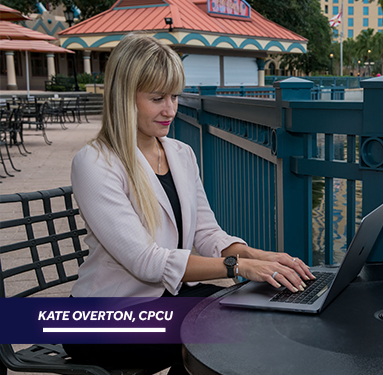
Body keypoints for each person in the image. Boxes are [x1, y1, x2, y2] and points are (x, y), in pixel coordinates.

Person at [63, 33, 314, 373]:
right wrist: (238, 268)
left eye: (175, 96)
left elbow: (207, 234)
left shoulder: (181, 154)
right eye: (157, 98)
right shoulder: (94, 163)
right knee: (224, 334)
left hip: (164, 300)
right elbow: (145, 262)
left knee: (259, 312)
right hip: (101, 319)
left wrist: (262, 257)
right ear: (124, 98)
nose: (171, 109)